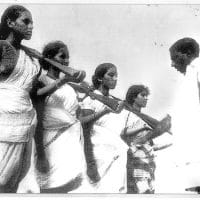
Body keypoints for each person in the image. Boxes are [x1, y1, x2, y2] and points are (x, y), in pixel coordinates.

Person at [35, 40, 87, 193]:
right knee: (51, 187)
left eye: (68, 57)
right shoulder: (41, 81)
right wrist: (41, 156)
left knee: (68, 188)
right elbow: (37, 119)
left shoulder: (70, 87)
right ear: (50, 58)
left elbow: (76, 118)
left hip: (70, 146)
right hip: (50, 144)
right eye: (62, 56)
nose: (66, 61)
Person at [0, 5, 41, 193]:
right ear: (10, 22)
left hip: (26, 123)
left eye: (32, 22)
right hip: (3, 121)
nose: (31, 26)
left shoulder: (31, 59)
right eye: (26, 21)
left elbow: (32, 91)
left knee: (16, 181)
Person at [79, 63, 129, 193]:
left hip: (117, 155)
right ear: (100, 78)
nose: (115, 78)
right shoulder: (91, 98)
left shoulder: (114, 101)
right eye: (111, 75)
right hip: (99, 156)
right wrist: (104, 111)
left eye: (116, 75)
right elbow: (84, 124)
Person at [159, 37, 200, 193]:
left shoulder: (198, 68)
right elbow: (171, 119)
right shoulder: (188, 77)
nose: (172, 64)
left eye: (175, 58)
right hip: (191, 155)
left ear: (187, 54)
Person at [121, 84, 171, 194]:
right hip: (136, 160)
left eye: (146, 96)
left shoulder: (144, 118)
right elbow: (122, 133)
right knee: (142, 191)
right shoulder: (127, 114)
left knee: (150, 191)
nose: (146, 98)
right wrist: (143, 131)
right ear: (134, 97)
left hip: (149, 159)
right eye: (143, 95)